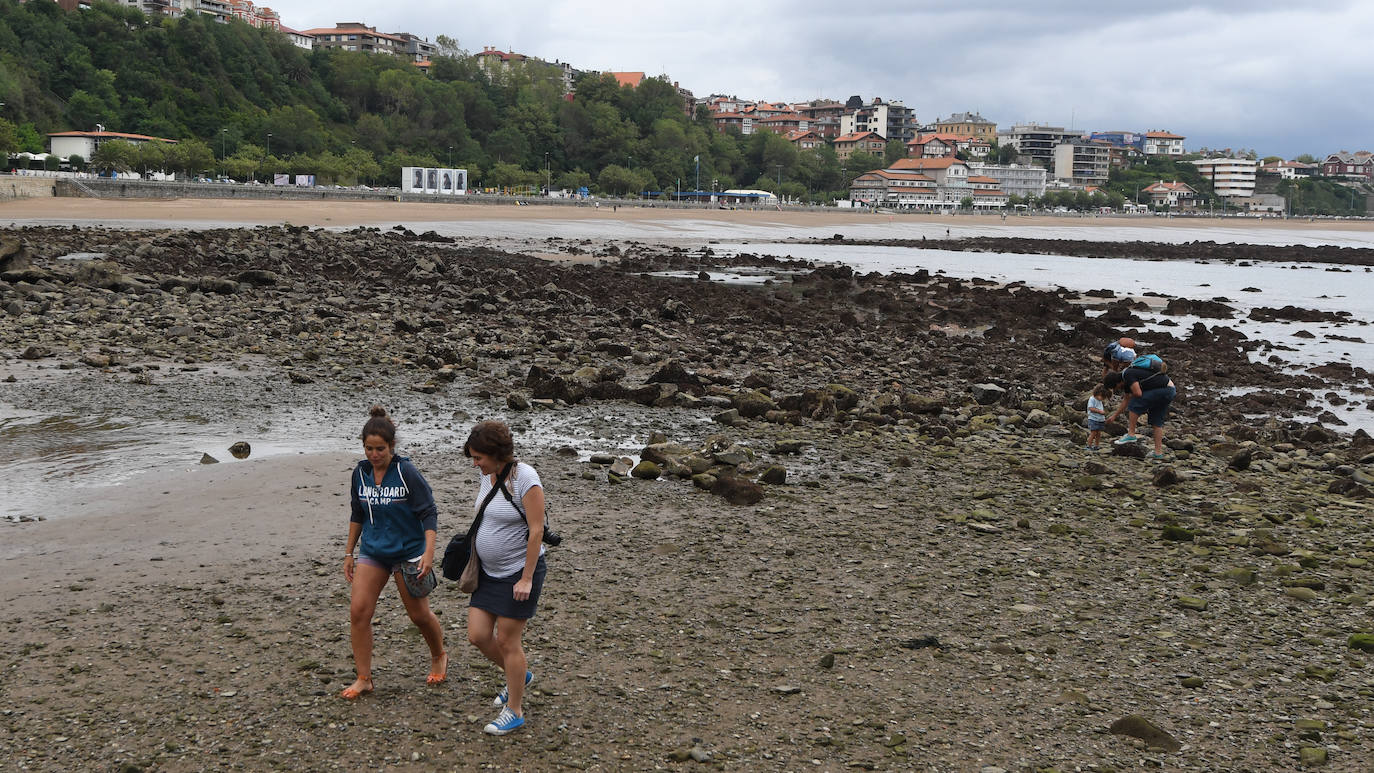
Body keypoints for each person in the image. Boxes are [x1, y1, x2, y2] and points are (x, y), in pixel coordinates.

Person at [341, 406, 445, 699]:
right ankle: (364, 678)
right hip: (373, 551)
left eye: (380, 449)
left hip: (407, 552)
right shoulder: (360, 473)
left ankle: (439, 655)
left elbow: (429, 513)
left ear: (392, 446)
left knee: (419, 615)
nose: (374, 455)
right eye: (369, 449)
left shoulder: (405, 471)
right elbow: (357, 514)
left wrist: (428, 552)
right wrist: (349, 553)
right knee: (359, 612)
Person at [463, 420, 548, 736]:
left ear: (496, 454)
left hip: (519, 572)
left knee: (507, 640)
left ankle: (514, 710)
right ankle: (519, 674)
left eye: (478, 458)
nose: (475, 464)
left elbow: (537, 530)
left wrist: (526, 578)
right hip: (488, 573)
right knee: (477, 635)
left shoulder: (525, 477)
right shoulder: (487, 476)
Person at [1105, 364, 1176, 460]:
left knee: (1134, 404)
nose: (1117, 389)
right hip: (1169, 390)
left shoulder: (1128, 374)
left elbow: (1138, 393)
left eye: (1115, 387)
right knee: (1156, 422)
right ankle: (1158, 453)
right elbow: (1126, 400)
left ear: (1116, 383)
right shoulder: (1126, 380)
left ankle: (1131, 434)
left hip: (1164, 390)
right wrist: (1114, 416)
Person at [1086, 384, 1111, 451]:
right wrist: (1099, 411)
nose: (1102, 398)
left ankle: (1096, 445)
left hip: (1100, 419)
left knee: (1099, 433)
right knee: (1093, 432)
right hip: (1093, 419)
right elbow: (1091, 408)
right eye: (1101, 396)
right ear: (1097, 393)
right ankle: (1089, 445)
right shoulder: (1092, 399)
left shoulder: (1100, 401)